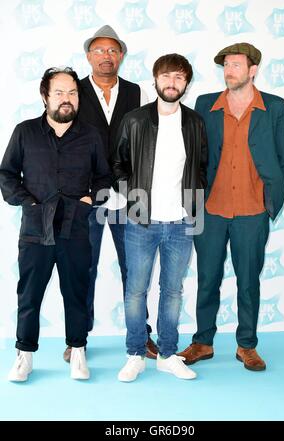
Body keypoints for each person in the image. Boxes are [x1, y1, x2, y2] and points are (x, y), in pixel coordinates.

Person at [179, 43, 284, 371]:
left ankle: (247, 346)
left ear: (252, 69)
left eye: (236, 65)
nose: (229, 70)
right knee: (207, 278)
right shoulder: (204, 105)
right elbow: (194, 156)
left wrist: (272, 201)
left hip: (253, 211)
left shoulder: (274, 106)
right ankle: (202, 342)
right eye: (226, 65)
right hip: (211, 210)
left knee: (248, 280)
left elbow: (282, 159)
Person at [0, 67, 112, 381]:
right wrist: (28, 203)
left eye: (73, 93)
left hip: (76, 229)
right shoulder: (25, 132)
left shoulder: (90, 135)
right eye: (59, 92)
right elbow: (6, 175)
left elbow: (105, 178)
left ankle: (78, 351)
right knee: (30, 294)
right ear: (45, 96)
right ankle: (24, 355)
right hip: (36, 229)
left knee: (76, 292)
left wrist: (91, 200)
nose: (67, 99)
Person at [63, 25, 158, 362]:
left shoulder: (138, 92)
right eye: (99, 50)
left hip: (129, 197)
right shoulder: (73, 92)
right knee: (82, 268)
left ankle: (141, 335)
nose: (106, 56)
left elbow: (148, 144)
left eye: (112, 50)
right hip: (85, 198)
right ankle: (77, 340)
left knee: (134, 269)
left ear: (121, 55)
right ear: (89, 55)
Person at [113, 53, 208, 382]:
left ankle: (168, 354)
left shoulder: (195, 122)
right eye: (166, 76)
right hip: (142, 221)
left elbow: (201, 167)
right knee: (135, 291)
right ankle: (135, 353)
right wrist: (133, 197)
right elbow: (118, 165)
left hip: (182, 223)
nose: (172, 82)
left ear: (186, 83)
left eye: (179, 77)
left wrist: (193, 203)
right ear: (155, 79)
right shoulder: (135, 120)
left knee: (173, 291)